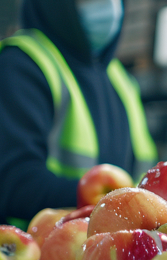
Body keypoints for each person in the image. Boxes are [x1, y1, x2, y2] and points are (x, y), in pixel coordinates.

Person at [0, 0, 157, 227]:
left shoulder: (120, 79)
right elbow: (14, 183)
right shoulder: (21, 65)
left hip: (113, 249)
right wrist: (117, 203)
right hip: (38, 251)